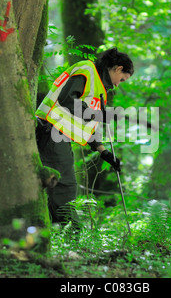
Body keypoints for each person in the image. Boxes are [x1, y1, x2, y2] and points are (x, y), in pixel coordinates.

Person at [35, 48, 134, 229]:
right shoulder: (87, 70)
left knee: (56, 184)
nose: (119, 85)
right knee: (64, 185)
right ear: (118, 69)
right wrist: (97, 114)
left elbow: (87, 125)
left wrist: (104, 153)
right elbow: (67, 100)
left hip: (59, 136)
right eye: (122, 80)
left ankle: (52, 230)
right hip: (50, 130)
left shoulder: (100, 89)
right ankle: (71, 233)